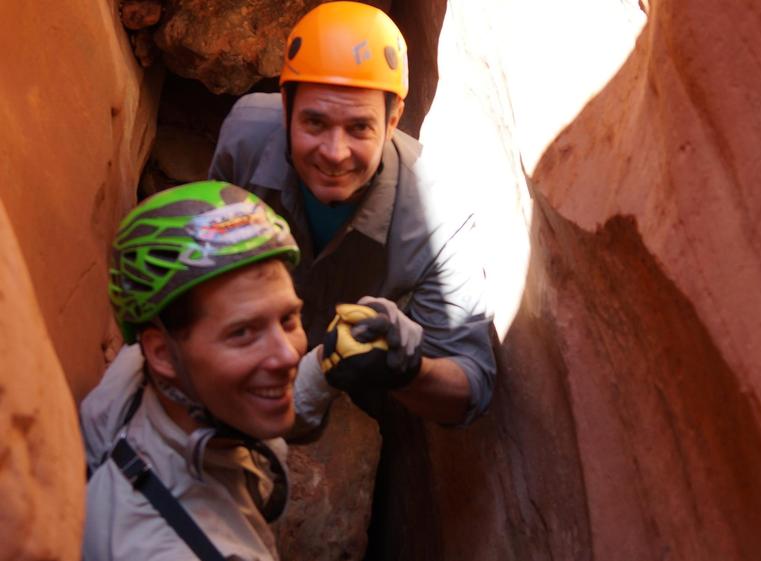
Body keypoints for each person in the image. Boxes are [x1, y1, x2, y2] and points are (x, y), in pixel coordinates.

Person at [209, 1, 495, 427]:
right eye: (315, 123)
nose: (334, 153)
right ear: (286, 108)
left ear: (393, 118)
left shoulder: (440, 217)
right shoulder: (245, 139)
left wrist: (406, 370)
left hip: (345, 396)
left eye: (359, 128)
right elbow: (206, 258)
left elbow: (471, 384)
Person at [80, 180, 370, 560]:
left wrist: (324, 366)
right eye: (243, 333)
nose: (287, 355)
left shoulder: (133, 377)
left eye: (288, 319)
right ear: (162, 353)